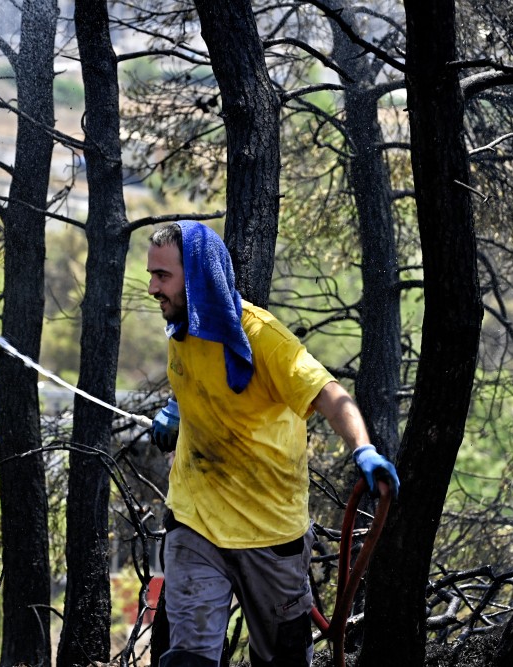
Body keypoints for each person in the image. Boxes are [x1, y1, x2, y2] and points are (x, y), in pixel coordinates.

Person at [146, 221, 400, 667]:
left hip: (270, 532)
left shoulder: (264, 337)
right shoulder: (180, 326)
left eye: (162, 276)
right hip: (195, 521)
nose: (152, 288)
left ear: (197, 276)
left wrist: (363, 449)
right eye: (152, 275)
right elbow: (201, 384)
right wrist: (176, 409)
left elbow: (329, 394)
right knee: (187, 660)